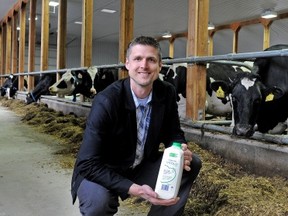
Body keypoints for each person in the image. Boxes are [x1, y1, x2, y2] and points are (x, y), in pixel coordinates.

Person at [71, 36, 202, 216]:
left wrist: (179, 149)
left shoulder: (166, 92)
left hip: (140, 165)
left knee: (190, 163)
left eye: (151, 60)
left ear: (160, 65)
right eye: (138, 59)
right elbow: (87, 163)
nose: (144, 65)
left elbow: (173, 133)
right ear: (127, 64)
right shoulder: (106, 101)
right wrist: (135, 189)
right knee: (98, 204)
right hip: (102, 170)